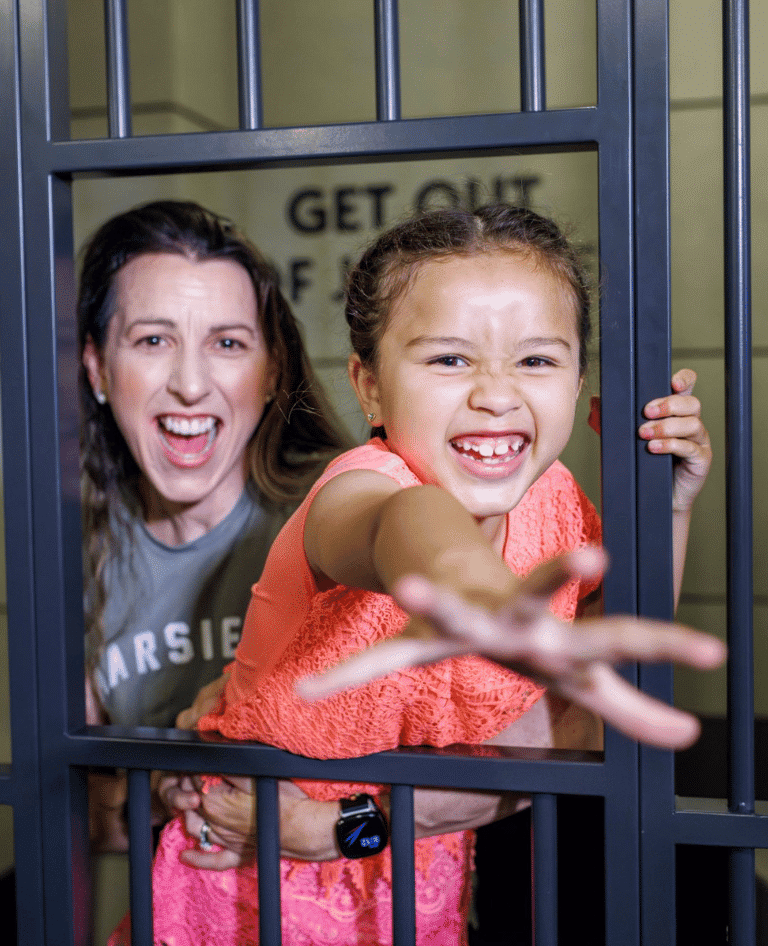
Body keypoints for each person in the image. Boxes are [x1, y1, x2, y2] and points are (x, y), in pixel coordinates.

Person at [118, 204, 723, 946]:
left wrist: (668, 508)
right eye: (449, 359)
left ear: (577, 380)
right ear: (367, 385)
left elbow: (613, 648)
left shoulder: (557, 502)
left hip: (414, 889)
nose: (497, 393)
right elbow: (399, 525)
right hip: (243, 895)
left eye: (537, 360)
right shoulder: (359, 489)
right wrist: (473, 587)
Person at [79, 198, 351, 850]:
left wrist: (325, 827)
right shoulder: (67, 549)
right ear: (97, 370)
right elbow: (84, 818)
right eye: (153, 341)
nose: (191, 385)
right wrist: (161, 788)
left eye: (227, 343)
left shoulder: (342, 503)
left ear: (271, 371)